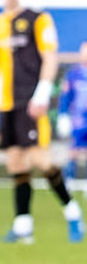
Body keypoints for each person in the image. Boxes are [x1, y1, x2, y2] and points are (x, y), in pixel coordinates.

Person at [0, 0, 83, 244]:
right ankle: (23, 226)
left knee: (40, 160)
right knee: (15, 161)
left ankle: (72, 211)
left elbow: (50, 57)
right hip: (7, 104)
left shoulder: (38, 19)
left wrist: (42, 94)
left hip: (31, 101)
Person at [57, 42, 87, 183]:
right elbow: (66, 96)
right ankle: (69, 180)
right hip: (78, 118)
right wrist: (63, 114)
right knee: (74, 150)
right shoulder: (74, 73)